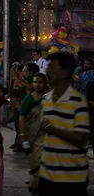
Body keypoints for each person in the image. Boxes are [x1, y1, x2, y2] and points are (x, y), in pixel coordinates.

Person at [38, 52, 90, 195]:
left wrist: (53, 129)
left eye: (51, 67)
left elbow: (81, 139)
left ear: (64, 73)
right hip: (47, 175)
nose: (47, 71)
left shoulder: (78, 101)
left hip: (72, 179)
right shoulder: (45, 99)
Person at [18, 73, 48, 192]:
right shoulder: (28, 99)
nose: (38, 85)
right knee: (33, 158)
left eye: (40, 82)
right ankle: (34, 182)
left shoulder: (49, 97)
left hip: (46, 134)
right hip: (31, 134)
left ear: (45, 83)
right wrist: (22, 134)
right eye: (35, 82)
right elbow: (22, 117)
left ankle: (41, 183)